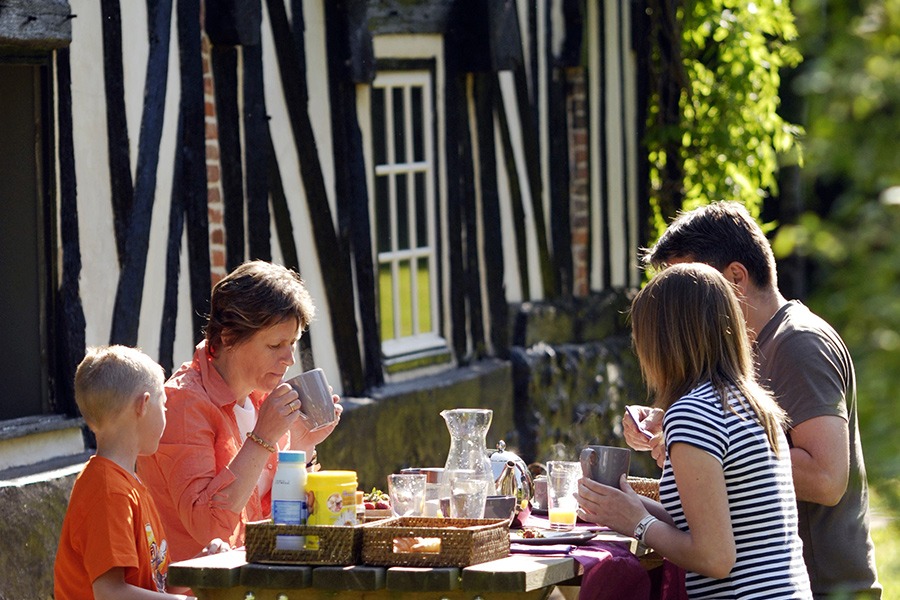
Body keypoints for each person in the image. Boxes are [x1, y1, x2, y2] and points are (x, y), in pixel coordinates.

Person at [624, 201, 881, 598]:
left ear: (736, 277)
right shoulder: (737, 361)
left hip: (827, 586)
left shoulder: (798, 342)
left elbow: (828, 478)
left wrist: (700, 449)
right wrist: (681, 433)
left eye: (690, 284)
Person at [578, 263, 812, 598]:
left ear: (664, 341)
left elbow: (715, 558)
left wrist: (637, 523)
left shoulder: (691, 413)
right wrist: (627, 507)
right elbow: (712, 525)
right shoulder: (751, 402)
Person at [137, 260, 342, 562]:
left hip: (254, 574)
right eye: (275, 345)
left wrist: (302, 446)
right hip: (195, 582)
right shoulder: (183, 404)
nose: (289, 359)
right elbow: (209, 529)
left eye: (293, 343)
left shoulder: (261, 395)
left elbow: (278, 522)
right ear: (229, 337)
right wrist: (263, 438)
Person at [54, 345, 229, 600]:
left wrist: (199, 567)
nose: (166, 413)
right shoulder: (109, 491)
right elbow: (109, 593)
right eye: (164, 404)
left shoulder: (127, 483)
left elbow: (155, 587)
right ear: (144, 405)